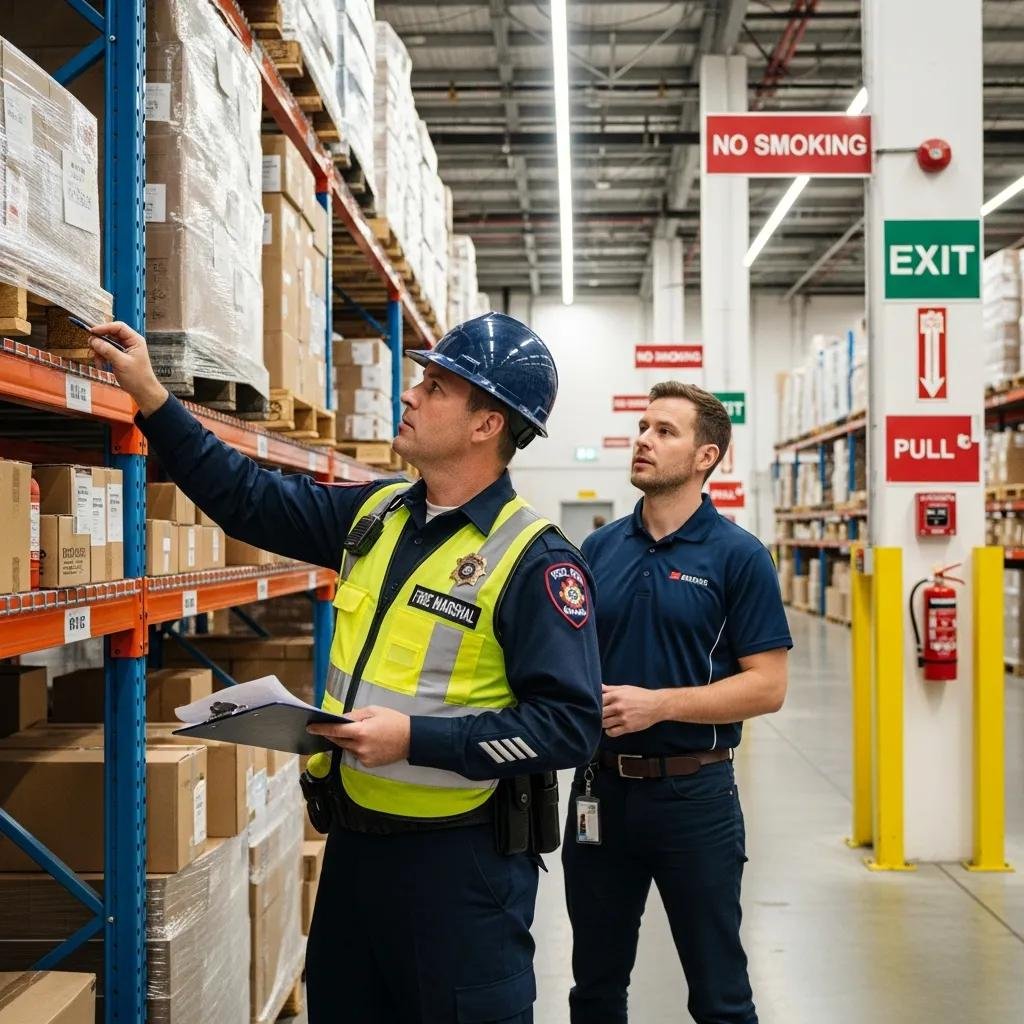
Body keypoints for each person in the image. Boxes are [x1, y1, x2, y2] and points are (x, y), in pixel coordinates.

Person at [89, 312, 603, 1024]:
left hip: (461, 872)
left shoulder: (535, 561)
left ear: (487, 424)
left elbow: (569, 726)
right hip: (357, 850)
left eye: (436, 386)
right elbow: (247, 499)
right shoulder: (377, 515)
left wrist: (414, 740)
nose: (410, 394)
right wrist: (153, 397)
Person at [562, 381, 792, 1024]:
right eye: (643, 427)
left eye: (665, 431)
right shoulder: (598, 549)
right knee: (594, 988)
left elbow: (768, 686)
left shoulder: (739, 556)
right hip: (599, 792)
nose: (644, 439)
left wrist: (660, 705)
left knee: (720, 995)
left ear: (705, 457)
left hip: (694, 798)